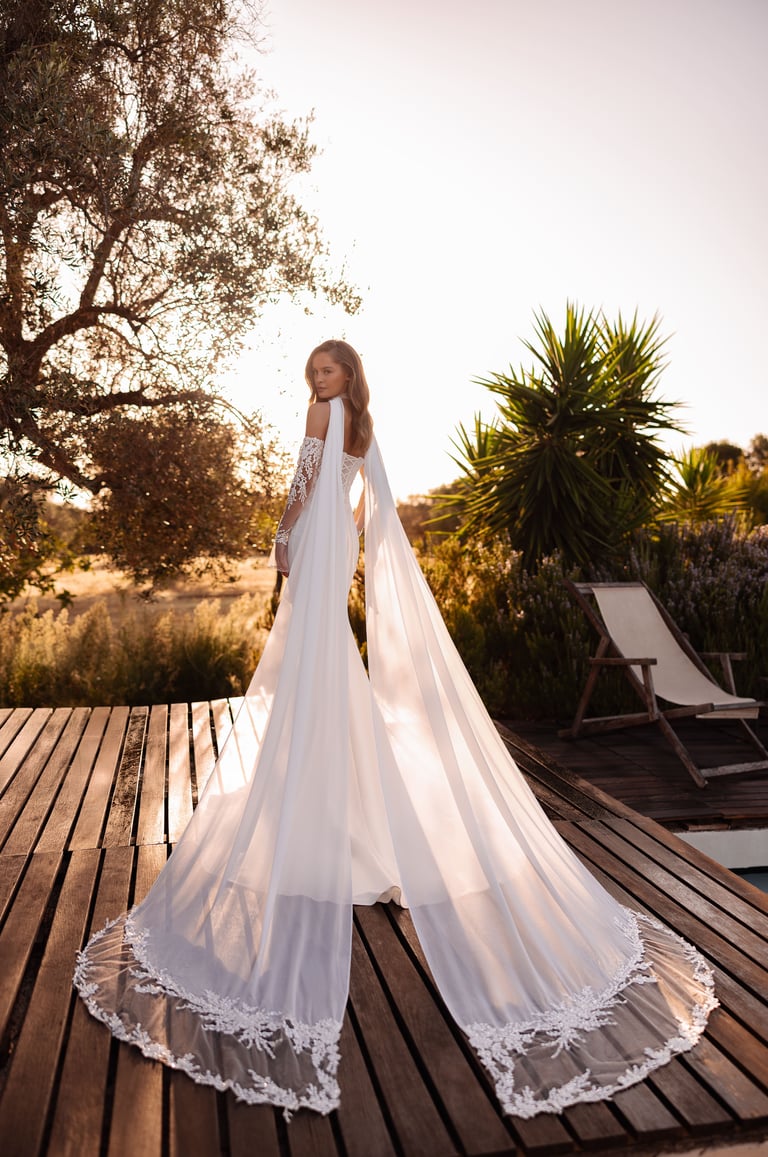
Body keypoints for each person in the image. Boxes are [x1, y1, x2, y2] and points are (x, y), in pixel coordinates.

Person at [75, 339, 717, 1120]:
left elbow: (305, 482)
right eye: (314, 371)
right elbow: (360, 500)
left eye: (330, 369)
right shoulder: (366, 426)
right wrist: (333, 540)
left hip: (317, 543)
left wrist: (284, 534)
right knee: (324, 659)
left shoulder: (322, 416)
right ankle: (345, 806)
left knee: (307, 657)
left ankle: (311, 804)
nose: (319, 380)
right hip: (338, 545)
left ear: (347, 375)